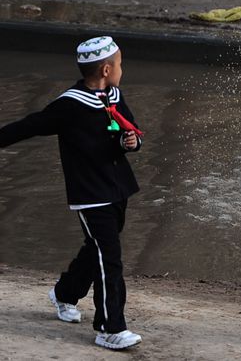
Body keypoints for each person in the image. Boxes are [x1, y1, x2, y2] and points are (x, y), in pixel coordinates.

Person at [0, 36, 144, 350]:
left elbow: (129, 129)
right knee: (109, 258)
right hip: (91, 194)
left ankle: (64, 293)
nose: (122, 69)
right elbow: (29, 125)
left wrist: (130, 142)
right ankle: (109, 328)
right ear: (106, 69)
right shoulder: (69, 105)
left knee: (97, 250)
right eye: (120, 64)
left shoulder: (114, 95)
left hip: (118, 188)